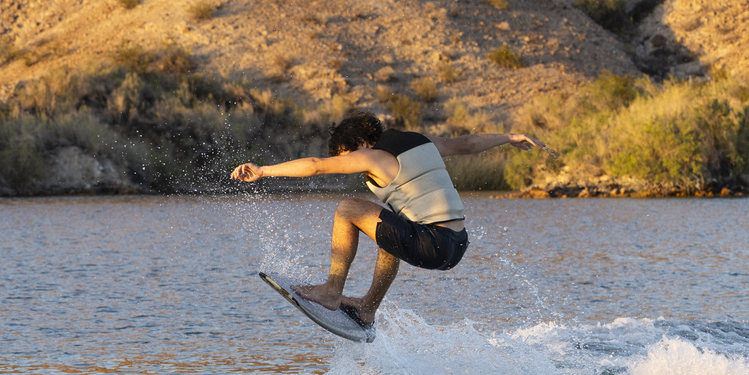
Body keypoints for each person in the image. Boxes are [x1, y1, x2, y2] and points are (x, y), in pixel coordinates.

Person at [229, 111, 543, 326]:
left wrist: (263, 171)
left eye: (347, 155)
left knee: (348, 209)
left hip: (432, 243)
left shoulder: (374, 155)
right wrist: (510, 136)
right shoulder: (419, 141)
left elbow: (315, 165)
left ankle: (331, 290)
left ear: (361, 144)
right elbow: (466, 144)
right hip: (456, 244)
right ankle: (367, 308)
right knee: (387, 223)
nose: (351, 164)